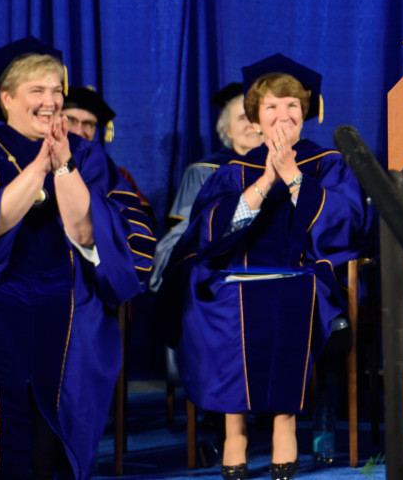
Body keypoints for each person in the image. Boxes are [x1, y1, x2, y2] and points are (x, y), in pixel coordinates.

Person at [0, 37, 155, 480]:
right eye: (38, 90)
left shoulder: (88, 155)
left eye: (56, 90)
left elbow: (87, 231)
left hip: (70, 299)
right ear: (7, 96)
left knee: (66, 406)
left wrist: (63, 164)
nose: (51, 100)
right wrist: (38, 165)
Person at [164, 55, 373, 480]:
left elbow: (346, 222)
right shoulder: (234, 170)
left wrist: (295, 176)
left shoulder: (327, 162)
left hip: (301, 276)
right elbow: (210, 233)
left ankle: (285, 424)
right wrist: (265, 182)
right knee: (216, 298)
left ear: (306, 111)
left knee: (292, 298)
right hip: (234, 279)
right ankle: (234, 430)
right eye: (272, 107)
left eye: (292, 105)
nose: (283, 115)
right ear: (255, 118)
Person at [151, 82, 263, 292]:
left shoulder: (285, 170)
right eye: (242, 118)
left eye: (257, 117)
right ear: (227, 130)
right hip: (220, 278)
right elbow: (182, 236)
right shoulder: (205, 171)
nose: (252, 125)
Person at [62, 83, 156, 221]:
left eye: (88, 124)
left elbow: (142, 221)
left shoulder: (117, 175)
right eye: (70, 120)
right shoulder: (38, 167)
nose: (78, 131)